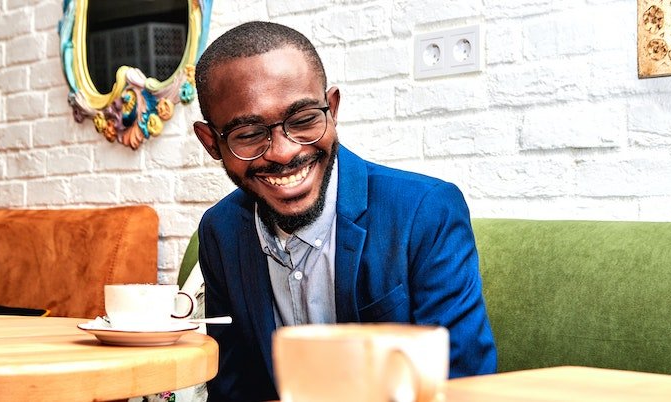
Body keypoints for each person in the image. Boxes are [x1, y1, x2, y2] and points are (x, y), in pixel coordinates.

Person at [192, 21, 497, 402]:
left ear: (332, 110)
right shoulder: (219, 231)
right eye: (249, 135)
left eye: (303, 121)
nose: (284, 152)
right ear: (211, 143)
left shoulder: (425, 212)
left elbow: (463, 383)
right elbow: (233, 387)